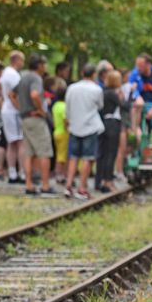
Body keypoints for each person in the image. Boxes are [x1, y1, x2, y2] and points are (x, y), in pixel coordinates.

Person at [12, 54, 57, 196]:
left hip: (25, 118)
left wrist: (20, 108)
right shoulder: (36, 78)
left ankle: (29, 184)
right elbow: (34, 94)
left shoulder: (23, 77)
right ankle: (45, 185)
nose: (46, 68)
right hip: (35, 118)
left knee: (29, 153)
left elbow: (11, 94)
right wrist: (41, 110)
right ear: (39, 66)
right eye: (44, 64)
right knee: (45, 151)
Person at [64, 63, 104, 200]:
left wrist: (69, 121)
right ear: (94, 74)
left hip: (74, 126)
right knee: (88, 158)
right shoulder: (96, 89)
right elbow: (100, 106)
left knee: (73, 157)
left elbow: (67, 107)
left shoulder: (72, 88)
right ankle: (82, 187)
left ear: (82, 73)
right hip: (90, 127)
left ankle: (68, 185)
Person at [0, 51, 26, 183]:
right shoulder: (13, 75)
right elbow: (13, 94)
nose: (23, 63)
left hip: (7, 108)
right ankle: (22, 172)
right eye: (22, 60)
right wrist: (20, 108)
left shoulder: (5, 73)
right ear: (16, 60)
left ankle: (12, 172)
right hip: (13, 111)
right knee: (20, 141)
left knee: (12, 142)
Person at [95, 70, 123, 193]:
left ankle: (99, 180)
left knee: (102, 153)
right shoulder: (113, 94)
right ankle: (108, 181)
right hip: (112, 124)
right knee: (111, 154)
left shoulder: (103, 92)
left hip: (103, 124)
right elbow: (124, 105)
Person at [51, 83, 68, 184]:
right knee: (62, 156)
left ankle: (58, 173)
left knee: (58, 153)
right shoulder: (64, 106)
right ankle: (59, 175)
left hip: (56, 131)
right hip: (63, 133)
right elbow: (65, 120)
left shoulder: (56, 105)